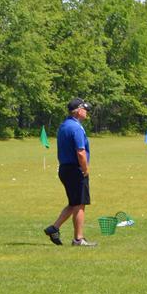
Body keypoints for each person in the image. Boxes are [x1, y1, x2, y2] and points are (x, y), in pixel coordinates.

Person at [44, 98, 95, 246]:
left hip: (65, 169)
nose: (86, 112)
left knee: (73, 203)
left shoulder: (64, 125)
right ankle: (78, 239)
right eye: (85, 109)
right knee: (80, 204)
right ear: (78, 111)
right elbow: (80, 152)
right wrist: (85, 170)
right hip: (75, 169)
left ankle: (54, 228)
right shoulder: (77, 128)